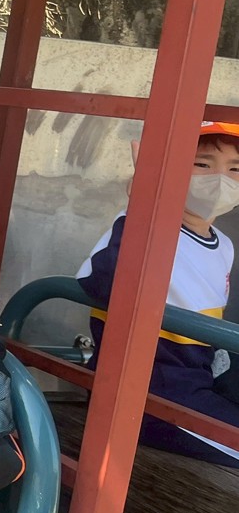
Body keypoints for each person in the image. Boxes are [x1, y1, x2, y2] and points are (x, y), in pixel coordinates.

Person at [77, 120, 239, 464]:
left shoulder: (223, 246)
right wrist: (143, 207)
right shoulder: (145, 226)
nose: (220, 179)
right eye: (202, 164)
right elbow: (100, 282)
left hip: (199, 383)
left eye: (234, 169)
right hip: (149, 395)